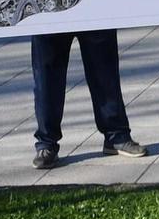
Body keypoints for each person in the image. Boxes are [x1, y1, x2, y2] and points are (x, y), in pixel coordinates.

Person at [29, 29, 149, 168]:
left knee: (104, 69)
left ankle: (116, 136)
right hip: (49, 17)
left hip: (92, 10)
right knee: (47, 78)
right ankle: (46, 143)